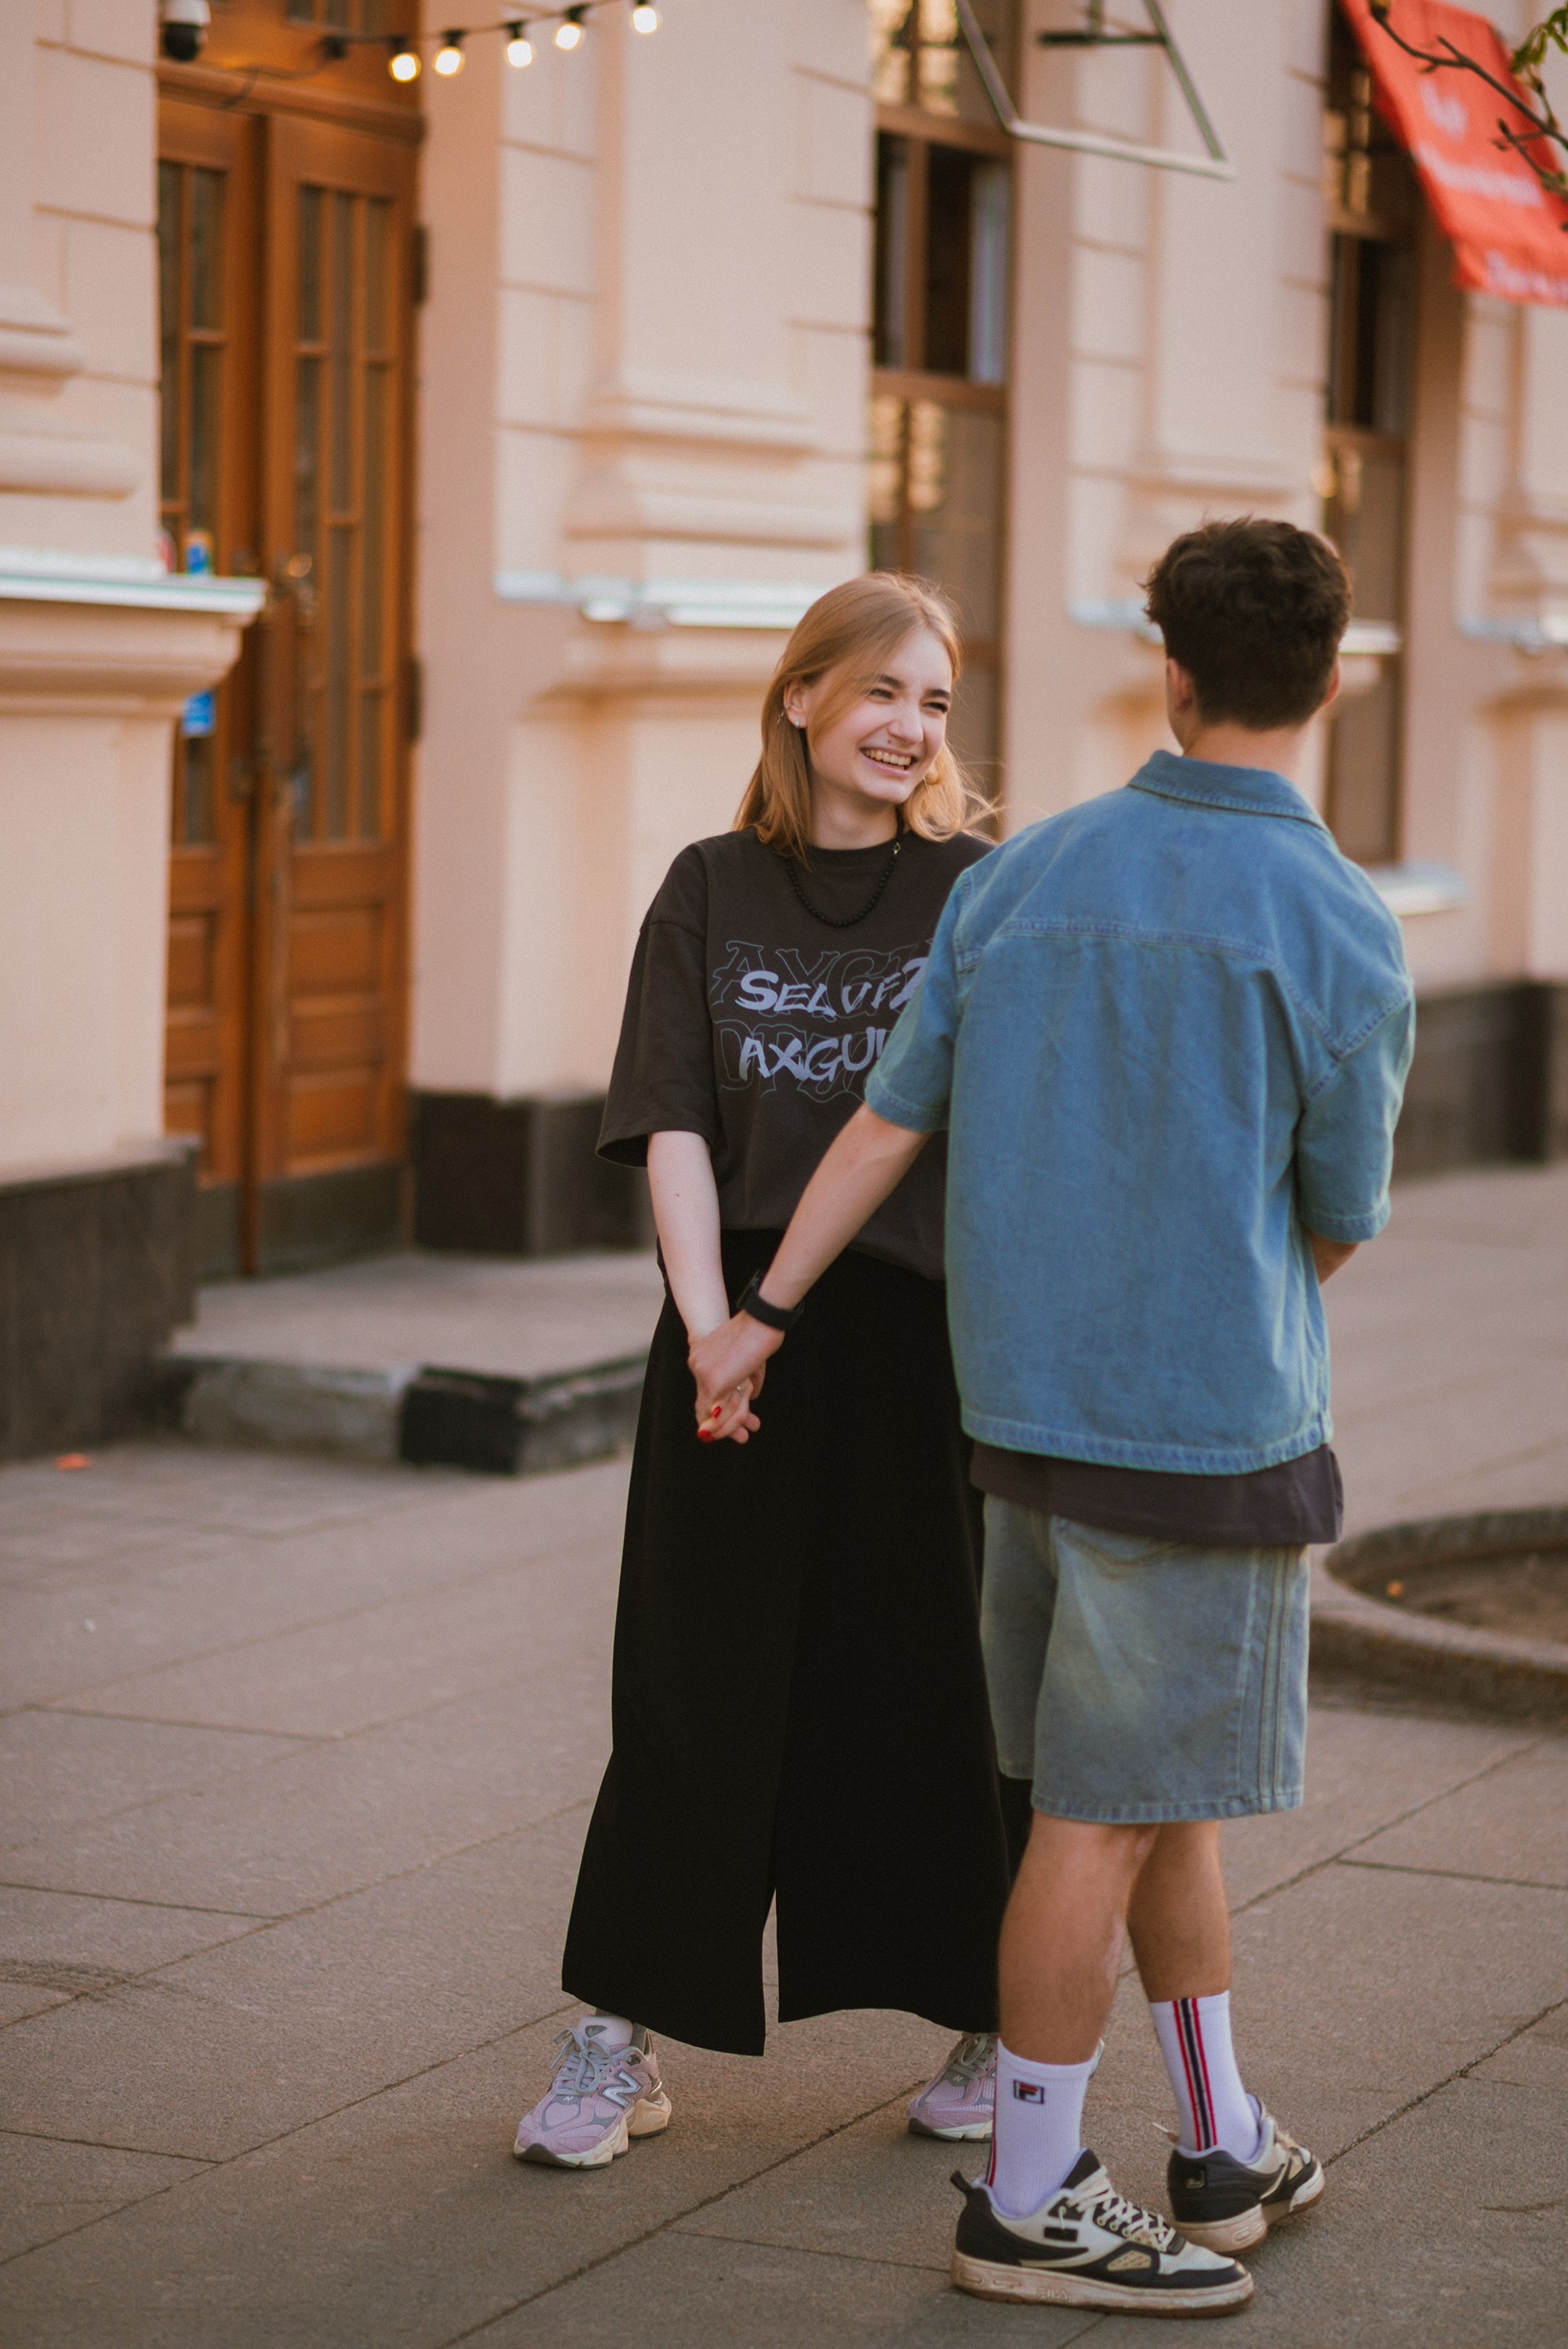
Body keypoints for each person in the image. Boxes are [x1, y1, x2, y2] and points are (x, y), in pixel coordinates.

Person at [690, 518, 1415, 2315]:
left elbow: (886, 1121)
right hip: (1201, 1441)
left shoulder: (1015, 880)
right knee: (1099, 1816)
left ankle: (1224, 2135)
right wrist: (1208, 1321)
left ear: (1164, 665)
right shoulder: (1338, 919)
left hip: (1014, 1421)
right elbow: (1338, 1212)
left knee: (1151, 1798)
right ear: (1332, 685)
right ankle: (1028, 2191)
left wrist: (756, 1315)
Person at [513, 572, 1033, 2171]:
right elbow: (673, 1117)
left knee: (937, 1681)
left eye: (936, 701)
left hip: (920, 1334)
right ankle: (620, 2039)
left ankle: (987, 2019)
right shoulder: (712, 885)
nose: (910, 727)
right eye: (882, 690)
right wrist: (708, 1326)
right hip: (731, 1330)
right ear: (803, 697)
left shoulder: (978, 889)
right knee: (689, 1681)